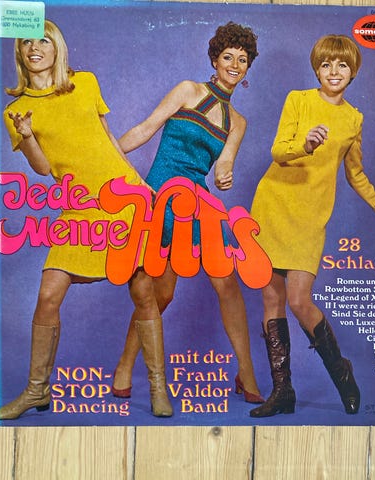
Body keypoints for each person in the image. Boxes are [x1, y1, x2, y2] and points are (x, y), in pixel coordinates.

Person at [0, 20, 173, 420]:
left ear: (56, 47)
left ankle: (158, 388)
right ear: (20, 53)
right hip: (79, 210)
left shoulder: (85, 83)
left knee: (144, 292)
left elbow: (108, 139)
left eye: (43, 40)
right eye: (27, 42)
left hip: (124, 199)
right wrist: (27, 134)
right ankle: (37, 391)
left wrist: (140, 184)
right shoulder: (15, 110)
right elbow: (43, 169)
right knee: (48, 294)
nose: (34, 47)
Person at [249, 34, 375, 417]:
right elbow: (278, 151)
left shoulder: (353, 119)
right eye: (326, 64)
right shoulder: (298, 100)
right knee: (271, 298)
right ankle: (283, 392)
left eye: (342, 65)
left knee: (299, 301)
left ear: (352, 72)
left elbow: (356, 174)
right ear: (317, 70)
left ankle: (342, 374)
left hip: (309, 217)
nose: (333, 71)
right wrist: (304, 145)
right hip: (272, 206)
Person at [111, 22, 264, 404]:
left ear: (247, 67)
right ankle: (124, 366)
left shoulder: (238, 123)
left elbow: (224, 164)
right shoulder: (188, 90)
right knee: (160, 296)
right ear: (214, 60)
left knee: (226, 282)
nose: (234, 65)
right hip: (158, 197)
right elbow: (146, 128)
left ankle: (246, 373)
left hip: (196, 205)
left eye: (242, 60)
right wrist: (106, 157)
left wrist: (225, 176)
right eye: (228, 57)